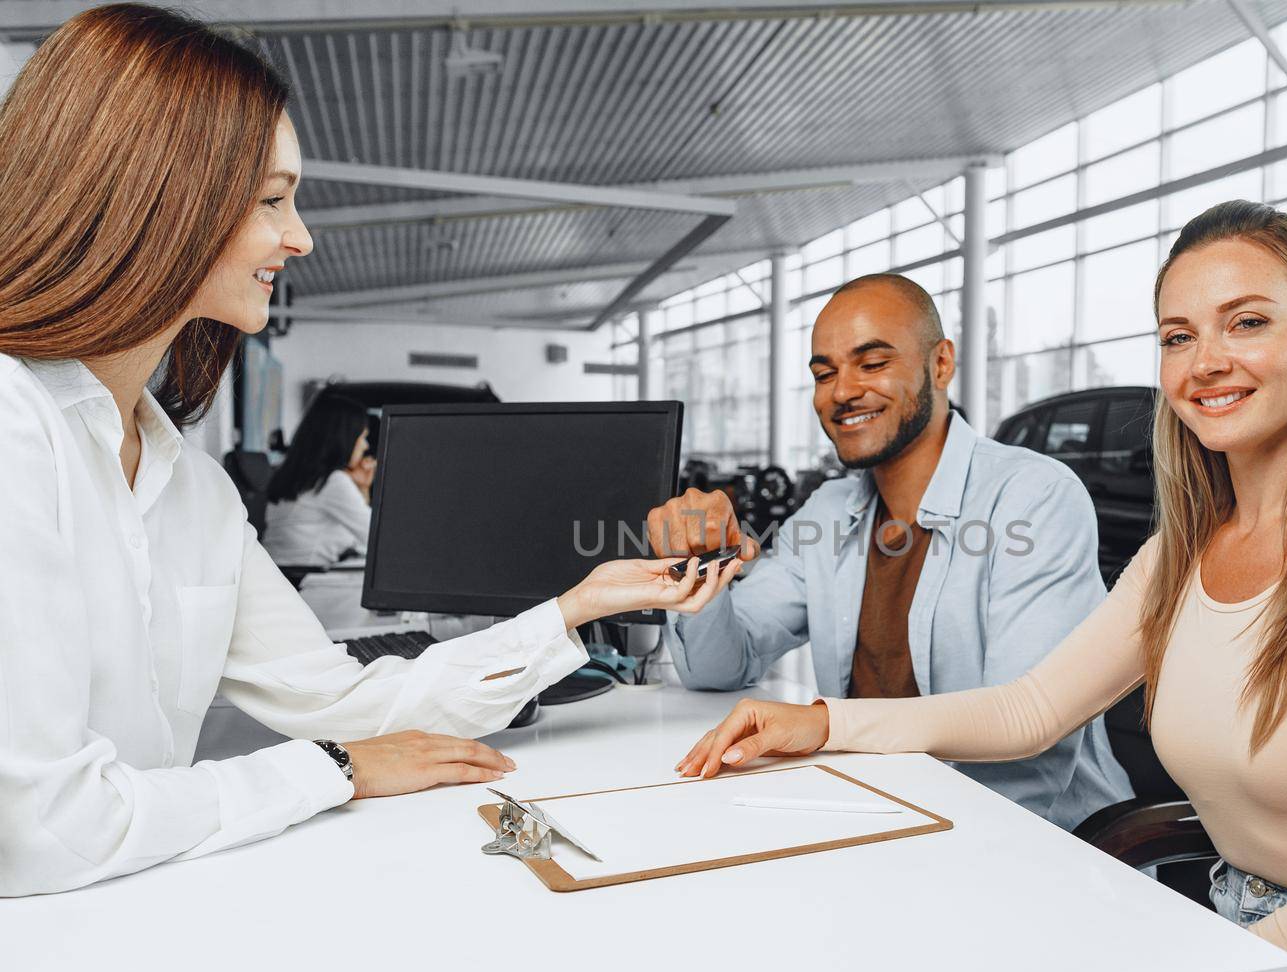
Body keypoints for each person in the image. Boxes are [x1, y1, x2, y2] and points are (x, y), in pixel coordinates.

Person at [678, 202, 1287, 972]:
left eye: (1249, 322)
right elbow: (1031, 708)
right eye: (1178, 337)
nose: (1207, 362)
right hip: (1236, 936)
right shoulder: (1185, 549)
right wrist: (824, 722)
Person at [0, 4, 738, 897]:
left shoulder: (190, 489)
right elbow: (38, 829)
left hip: (138, 917)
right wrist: (335, 770)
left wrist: (575, 609)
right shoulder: (14, 428)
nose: (300, 235)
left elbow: (342, 701)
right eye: (273, 199)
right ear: (162, 197)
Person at [650, 273, 1131, 832]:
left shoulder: (1033, 497)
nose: (842, 391)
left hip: (1041, 845)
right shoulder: (829, 511)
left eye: (872, 364)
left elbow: (1025, 751)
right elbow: (717, 669)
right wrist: (702, 563)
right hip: (876, 815)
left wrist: (827, 726)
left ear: (941, 364)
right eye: (824, 374)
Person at [261, 394, 375, 567]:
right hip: (305, 580)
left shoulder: (294, 474)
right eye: (362, 437)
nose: (365, 445)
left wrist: (362, 488)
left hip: (280, 575)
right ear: (344, 438)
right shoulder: (333, 482)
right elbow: (375, 538)